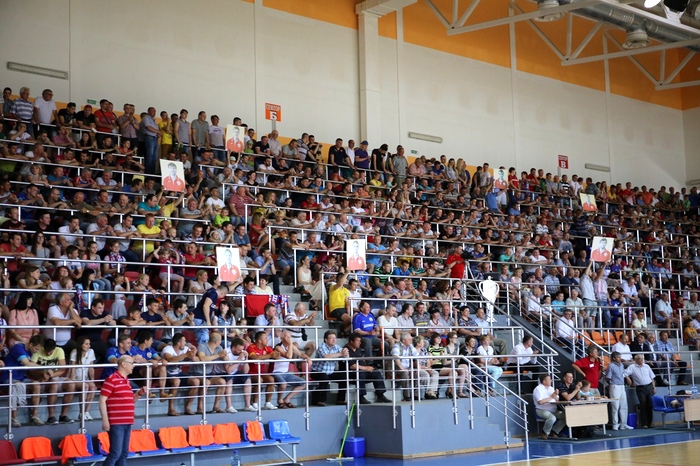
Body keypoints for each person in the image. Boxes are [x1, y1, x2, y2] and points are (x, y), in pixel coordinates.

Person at [99, 356, 148, 466]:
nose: (133, 366)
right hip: (116, 423)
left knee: (123, 453)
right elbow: (102, 400)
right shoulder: (111, 379)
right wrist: (105, 421)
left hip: (127, 422)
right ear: (124, 364)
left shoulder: (126, 381)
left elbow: (130, 400)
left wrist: (139, 394)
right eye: (132, 363)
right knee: (115, 453)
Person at [341, 332, 391, 404]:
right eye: (357, 341)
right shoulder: (345, 350)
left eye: (360, 341)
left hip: (360, 371)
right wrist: (365, 368)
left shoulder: (358, 349)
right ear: (351, 341)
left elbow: (362, 362)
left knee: (375, 372)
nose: (359, 343)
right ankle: (361, 397)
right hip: (349, 373)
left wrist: (368, 367)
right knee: (360, 373)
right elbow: (352, 366)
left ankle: (380, 395)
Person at [311, 330, 349, 406]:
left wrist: (345, 353)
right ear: (326, 340)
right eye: (331, 338)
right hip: (317, 372)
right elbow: (326, 356)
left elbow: (345, 356)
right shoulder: (321, 346)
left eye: (335, 338)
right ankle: (321, 400)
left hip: (330, 372)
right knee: (324, 378)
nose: (334, 340)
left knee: (343, 377)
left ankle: (340, 399)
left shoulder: (337, 347)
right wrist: (340, 354)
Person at [272, 330, 309, 408]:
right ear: (282, 339)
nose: (289, 339)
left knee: (303, 383)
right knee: (283, 384)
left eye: (290, 337)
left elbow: (301, 354)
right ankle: (279, 400)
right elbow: (288, 356)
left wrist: (308, 358)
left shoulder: (291, 346)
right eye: (287, 337)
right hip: (276, 372)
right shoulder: (278, 347)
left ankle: (287, 399)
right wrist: (290, 344)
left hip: (286, 373)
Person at [623, 354, 656, 429]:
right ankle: (644, 423)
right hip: (640, 388)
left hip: (649, 386)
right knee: (643, 404)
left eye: (642, 358)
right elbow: (624, 373)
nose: (641, 360)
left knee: (650, 404)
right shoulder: (632, 367)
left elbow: (652, 377)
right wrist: (628, 379)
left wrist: (654, 387)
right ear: (635, 360)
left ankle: (650, 422)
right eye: (639, 359)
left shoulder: (647, 366)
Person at [533, 374, 566, 440]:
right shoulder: (538, 389)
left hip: (553, 409)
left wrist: (556, 395)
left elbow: (557, 399)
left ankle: (554, 431)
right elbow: (540, 402)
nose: (551, 380)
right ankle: (544, 433)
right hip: (542, 409)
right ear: (544, 381)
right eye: (549, 379)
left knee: (566, 417)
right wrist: (551, 397)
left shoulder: (551, 388)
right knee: (552, 418)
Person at [605, 351, 633, 430]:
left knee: (623, 405)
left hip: (622, 385)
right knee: (615, 406)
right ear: (614, 358)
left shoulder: (621, 365)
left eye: (620, 357)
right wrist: (612, 384)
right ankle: (615, 424)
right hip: (615, 386)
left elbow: (623, 375)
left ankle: (623, 424)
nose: (620, 358)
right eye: (618, 357)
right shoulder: (611, 366)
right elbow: (608, 377)